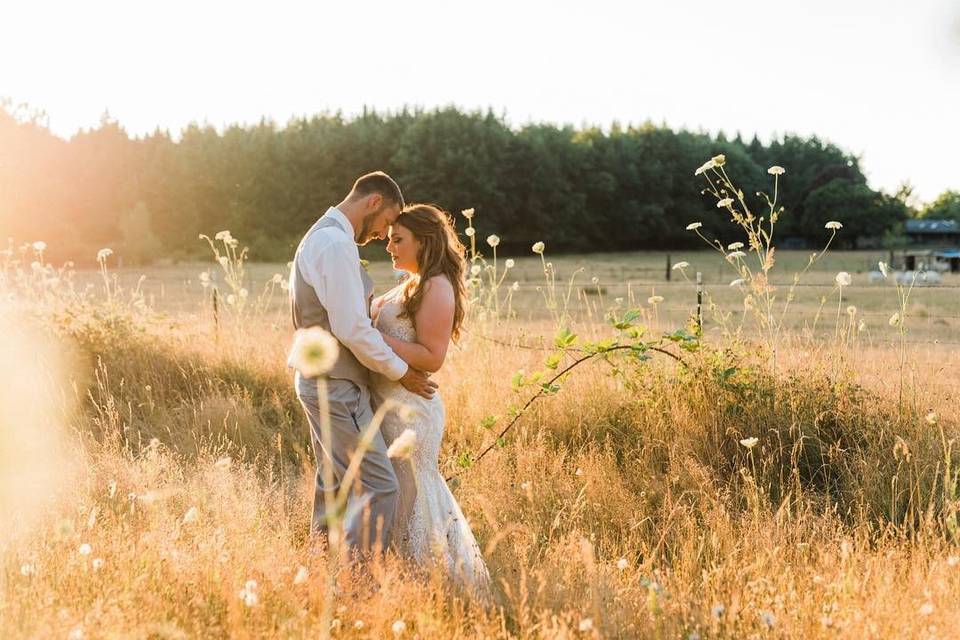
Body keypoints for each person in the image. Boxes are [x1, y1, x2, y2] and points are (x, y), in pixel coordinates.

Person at [288, 171, 436, 555]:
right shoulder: (336, 244)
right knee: (379, 486)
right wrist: (403, 374)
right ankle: (358, 581)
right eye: (387, 221)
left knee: (333, 484)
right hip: (334, 385)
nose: (382, 235)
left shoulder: (321, 236)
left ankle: (323, 570)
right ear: (373, 202)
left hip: (325, 381)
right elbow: (352, 329)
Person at [370, 203, 491, 596]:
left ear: (423, 241)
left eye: (397, 239)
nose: (389, 246)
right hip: (390, 405)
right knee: (399, 493)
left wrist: (370, 338)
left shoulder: (436, 285)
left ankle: (430, 583)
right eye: (389, 238)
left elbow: (432, 357)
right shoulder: (413, 282)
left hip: (412, 412)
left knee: (411, 496)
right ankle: (408, 581)